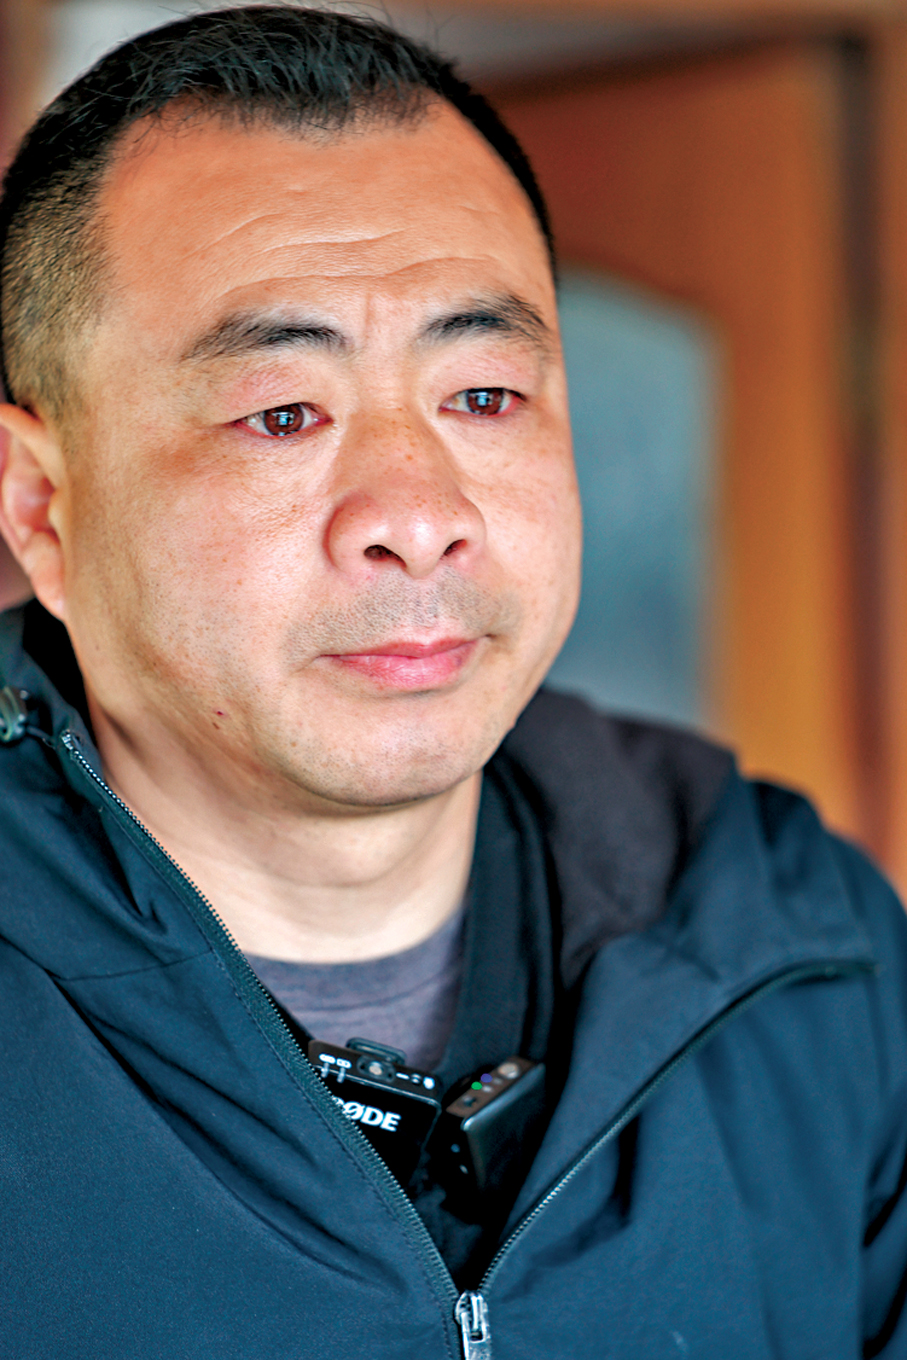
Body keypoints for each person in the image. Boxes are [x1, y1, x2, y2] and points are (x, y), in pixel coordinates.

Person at [0, 8, 904, 1356]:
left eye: (484, 396)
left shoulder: (799, 950)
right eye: (282, 413)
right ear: (41, 507)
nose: (420, 517)